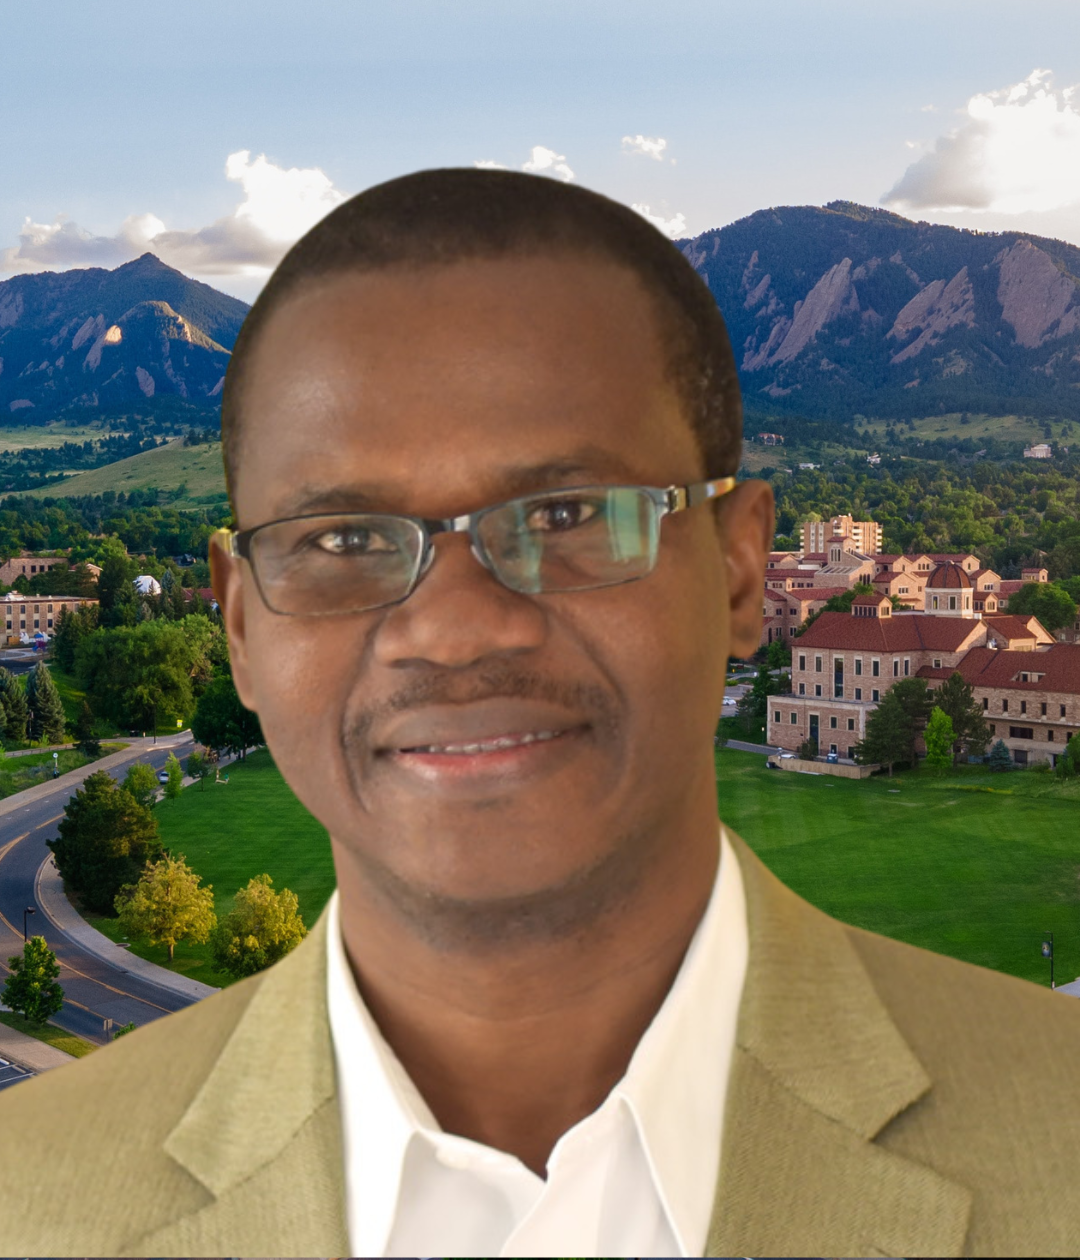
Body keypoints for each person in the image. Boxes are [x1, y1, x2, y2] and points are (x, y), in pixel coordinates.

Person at [0, 168, 1078, 1259]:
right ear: (237, 627)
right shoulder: (27, 1201)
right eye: (343, 538)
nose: (456, 627)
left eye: (567, 514)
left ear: (743, 570)